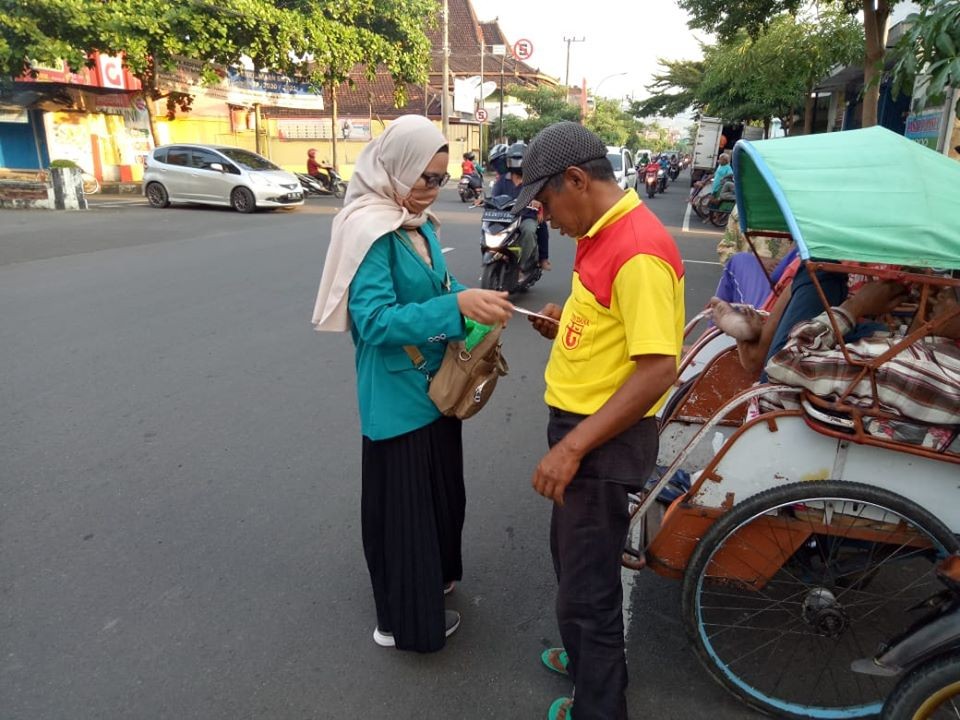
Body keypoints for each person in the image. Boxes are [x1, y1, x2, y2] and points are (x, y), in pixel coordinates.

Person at [311, 115, 514, 653]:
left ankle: (436, 576)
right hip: (398, 400)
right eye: (424, 177)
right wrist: (454, 306)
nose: (431, 191)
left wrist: (482, 301)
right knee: (404, 515)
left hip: (438, 392)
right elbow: (373, 321)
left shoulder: (416, 223)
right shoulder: (370, 231)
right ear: (395, 167)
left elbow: (443, 286)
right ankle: (401, 623)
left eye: (440, 180)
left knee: (441, 499)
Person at [519, 121, 685, 720]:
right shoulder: (603, 231)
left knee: (587, 591)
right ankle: (587, 660)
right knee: (576, 567)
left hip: (601, 442)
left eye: (545, 201)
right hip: (584, 431)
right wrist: (566, 321)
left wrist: (572, 450)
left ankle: (599, 705)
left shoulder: (637, 250)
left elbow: (655, 370)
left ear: (576, 179)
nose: (545, 216)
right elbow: (612, 324)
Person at [490, 142, 552, 271]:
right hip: (506, 217)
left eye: (519, 161)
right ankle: (492, 253)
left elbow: (543, 196)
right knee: (489, 227)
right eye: (513, 160)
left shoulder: (533, 180)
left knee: (529, 231)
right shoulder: (502, 179)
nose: (516, 164)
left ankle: (522, 266)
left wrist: (539, 203)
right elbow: (494, 197)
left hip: (527, 216)